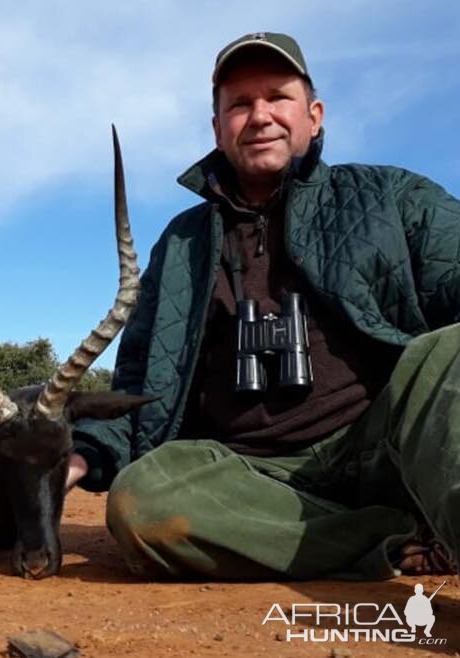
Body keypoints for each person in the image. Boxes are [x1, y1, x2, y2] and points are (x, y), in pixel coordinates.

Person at [67, 31, 460, 580]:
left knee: (452, 348)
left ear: (313, 115)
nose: (259, 116)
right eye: (239, 104)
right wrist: (80, 455)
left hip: (387, 450)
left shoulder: (391, 196)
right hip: (252, 475)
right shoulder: (182, 242)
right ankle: (386, 538)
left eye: (277, 97)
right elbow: (137, 380)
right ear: (217, 127)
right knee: (142, 501)